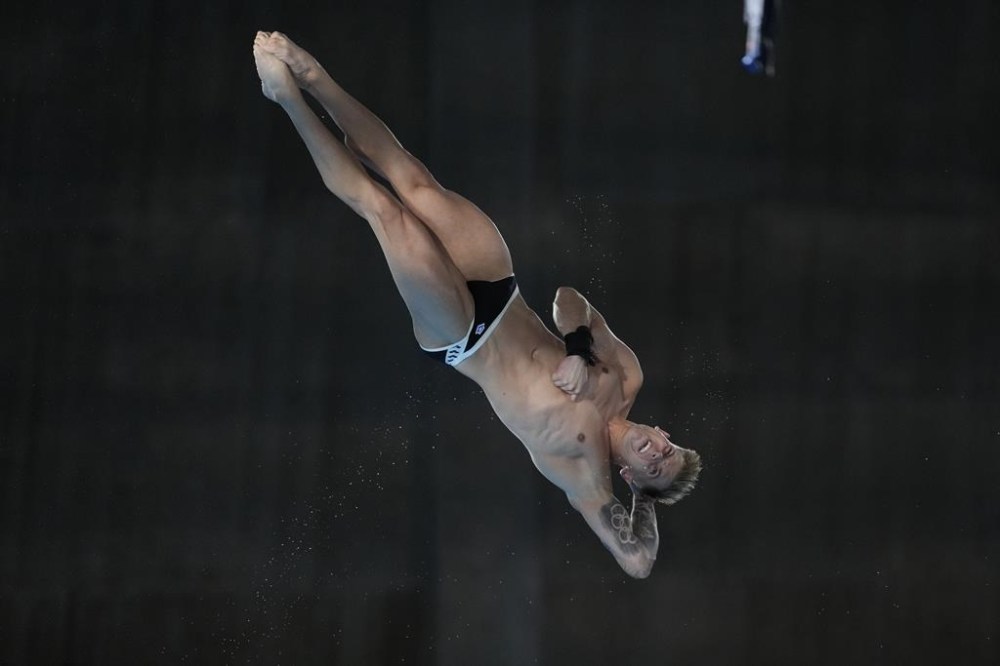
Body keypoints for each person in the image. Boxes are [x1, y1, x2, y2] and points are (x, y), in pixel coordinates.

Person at [252, 31, 702, 578]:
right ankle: (314, 76)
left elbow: (638, 563)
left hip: (464, 336)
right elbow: (568, 299)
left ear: (632, 478)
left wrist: (649, 501)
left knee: (385, 212)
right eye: (666, 448)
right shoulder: (625, 376)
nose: (655, 450)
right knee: (412, 178)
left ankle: (287, 99)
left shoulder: (584, 474)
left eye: (653, 466)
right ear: (665, 433)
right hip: (501, 288)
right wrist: (580, 349)